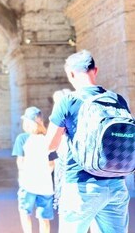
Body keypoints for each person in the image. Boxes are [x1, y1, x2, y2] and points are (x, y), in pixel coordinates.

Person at [46, 50, 131, 233]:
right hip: (116, 184)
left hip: (80, 185)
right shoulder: (118, 100)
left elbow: (50, 144)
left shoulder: (68, 101)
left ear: (70, 74)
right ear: (96, 70)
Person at [12, 106, 55, 233]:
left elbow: (20, 162)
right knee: (44, 218)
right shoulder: (48, 139)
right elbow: (52, 164)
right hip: (45, 185)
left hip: (28, 183)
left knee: (25, 213)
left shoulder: (22, 138)